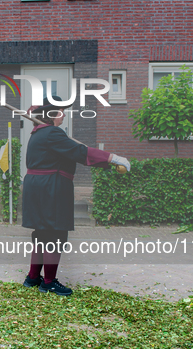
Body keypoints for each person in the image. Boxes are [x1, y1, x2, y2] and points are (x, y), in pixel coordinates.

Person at [21, 96, 131, 296]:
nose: (63, 114)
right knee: (55, 234)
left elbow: (74, 152)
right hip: (51, 188)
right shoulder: (52, 133)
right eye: (60, 111)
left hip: (37, 187)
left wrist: (107, 165)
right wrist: (112, 158)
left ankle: (33, 277)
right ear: (51, 115)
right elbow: (79, 152)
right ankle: (49, 282)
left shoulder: (39, 133)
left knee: (42, 233)